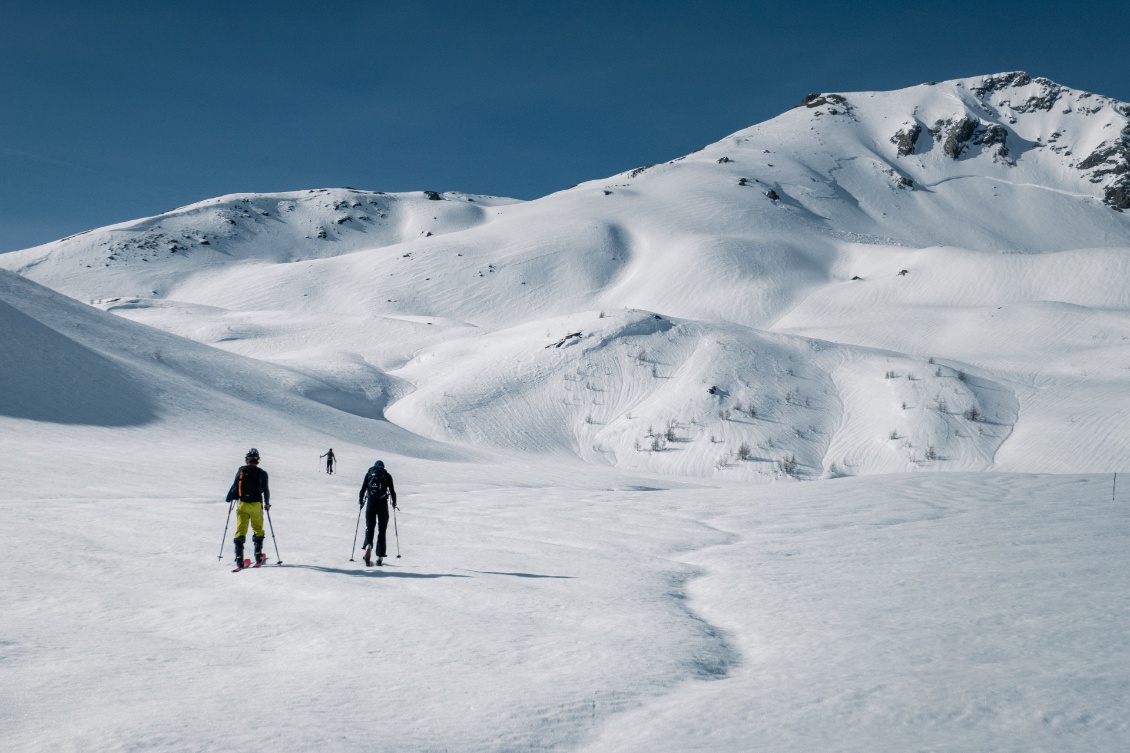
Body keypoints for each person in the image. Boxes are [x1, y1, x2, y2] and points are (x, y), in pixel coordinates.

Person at [226, 448, 271, 567]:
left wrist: (230, 497)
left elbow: (235, 485)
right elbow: (265, 489)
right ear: (258, 460)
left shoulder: (241, 470)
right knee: (258, 529)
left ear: (247, 460)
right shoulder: (262, 473)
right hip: (256, 505)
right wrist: (267, 503)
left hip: (242, 504)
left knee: (241, 529)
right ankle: (258, 555)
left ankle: (239, 558)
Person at [358, 459, 397, 566]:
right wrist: (394, 503)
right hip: (382, 505)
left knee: (370, 527)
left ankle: (368, 545)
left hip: (371, 503)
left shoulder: (369, 474)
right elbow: (392, 491)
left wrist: (361, 502)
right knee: (382, 529)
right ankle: (380, 556)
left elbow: (362, 490)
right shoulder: (387, 476)